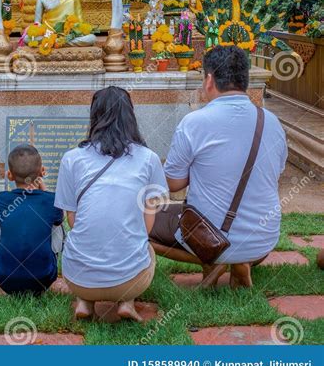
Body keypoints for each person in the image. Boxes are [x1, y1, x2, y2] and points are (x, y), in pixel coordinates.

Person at [150, 45, 287, 288]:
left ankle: (213, 260)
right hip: (262, 240)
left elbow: (172, 184)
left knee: (142, 215)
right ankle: (239, 264)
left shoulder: (195, 122)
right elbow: (274, 173)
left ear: (209, 79)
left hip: (213, 235)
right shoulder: (273, 122)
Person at [55, 86, 167, 321]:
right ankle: (127, 302)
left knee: (86, 240)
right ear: (130, 117)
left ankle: (84, 302)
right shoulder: (149, 159)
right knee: (145, 247)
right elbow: (145, 228)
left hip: (78, 279)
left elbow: (73, 221)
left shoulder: (71, 158)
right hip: (130, 281)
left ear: (94, 116)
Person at [0, 145, 63, 295]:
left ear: (9, 175)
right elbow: (55, 217)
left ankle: (3, 268)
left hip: (4, 278)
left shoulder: (1, 199)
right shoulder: (52, 200)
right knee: (57, 224)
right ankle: (44, 266)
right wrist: (42, 187)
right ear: (42, 172)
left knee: (1, 223)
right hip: (43, 279)